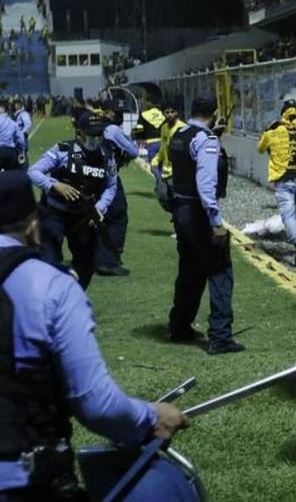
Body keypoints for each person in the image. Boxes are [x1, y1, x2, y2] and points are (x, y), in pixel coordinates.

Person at [0, 171, 189, 500]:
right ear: (32, 228)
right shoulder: (51, 287)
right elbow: (98, 405)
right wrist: (150, 417)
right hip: (22, 482)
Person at [167, 96, 244, 355]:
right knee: (220, 272)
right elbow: (205, 184)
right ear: (214, 112)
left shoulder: (179, 135)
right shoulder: (206, 140)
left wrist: (213, 135)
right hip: (199, 213)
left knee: (190, 271)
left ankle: (179, 326)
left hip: (181, 210)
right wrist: (216, 221)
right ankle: (220, 337)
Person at [28, 111, 117, 290]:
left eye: (99, 134)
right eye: (91, 134)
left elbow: (111, 186)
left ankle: (74, 296)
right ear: (79, 133)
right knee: (49, 259)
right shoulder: (62, 150)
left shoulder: (107, 157)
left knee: (85, 265)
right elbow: (33, 172)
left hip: (85, 217)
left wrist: (100, 207)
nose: (96, 139)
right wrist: (54, 185)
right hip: (55, 213)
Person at [256, 99, 296, 267]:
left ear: (282, 114)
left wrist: (267, 132)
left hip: (284, 181)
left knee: (288, 215)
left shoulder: (273, 130)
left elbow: (260, 148)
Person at [93, 102, 139, 277]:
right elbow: (133, 151)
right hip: (107, 177)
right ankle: (109, 261)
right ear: (109, 112)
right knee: (118, 217)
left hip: (88, 176)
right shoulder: (113, 130)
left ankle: (95, 256)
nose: (120, 116)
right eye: (117, 112)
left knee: (97, 217)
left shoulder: (93, 124)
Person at [150, 100, 186, 213]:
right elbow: (163, 147)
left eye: (172, 112)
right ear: (163, 113)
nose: (170, 115)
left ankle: (178, 217)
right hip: (165, 170)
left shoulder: (183, 128)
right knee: (162, 197)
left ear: (177, 113)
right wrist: (156, 160)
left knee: (178, 200)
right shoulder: (164, 128)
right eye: (167, 112)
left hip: (178, 172)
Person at [132, 98, 166, 183]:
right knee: (162, 166)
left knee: (154, 166)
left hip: (151, 143)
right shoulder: (162, 114)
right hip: (163, 143)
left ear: (149, 103)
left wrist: (138, 139)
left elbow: (139, 129)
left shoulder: (144, 114)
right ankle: (162, 184)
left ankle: (160, 183)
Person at [0, 101, 26, 171]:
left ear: (2, 108)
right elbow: (21, 139)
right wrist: (22, 150)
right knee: (11, 174)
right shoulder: (13, 123)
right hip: (11, 152)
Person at [12, 99, 31, 168]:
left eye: (17, 104)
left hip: (21, 136)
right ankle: (20, 166)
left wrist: (21, 133)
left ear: (20, 105)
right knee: (17, 152)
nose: (15, 105)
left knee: (22, 152)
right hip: (16, 136)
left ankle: (24, 167)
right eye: (15, 104)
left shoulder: (23, 114)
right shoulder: (17, 113)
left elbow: (28, 124)